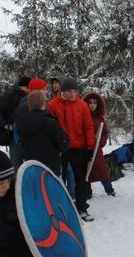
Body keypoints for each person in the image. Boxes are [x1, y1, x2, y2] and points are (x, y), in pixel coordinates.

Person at [46, 77, 96, 222]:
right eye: (70, 91)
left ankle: (82, 208)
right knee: (59, 179)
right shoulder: (52, 105)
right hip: (60, 149)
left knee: (81, 180)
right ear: (63, 91)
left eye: (75, 91)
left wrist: (90, 147)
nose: (73, 94)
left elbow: (88, 127)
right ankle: (59, 209)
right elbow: (50, 128)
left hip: (78, 147)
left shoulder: (82, 105)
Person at [18, 90, 69, 176]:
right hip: (50, 167)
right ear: (44, 104)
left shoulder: (23, 123)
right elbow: (63, 142)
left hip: (32, 165)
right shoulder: (50, 122)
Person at [0, 76, 31, 169]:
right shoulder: (11, 95)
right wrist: (4, 124)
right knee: (16, 163)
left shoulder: (25, 96)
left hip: (24, 134)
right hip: (14, 135)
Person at [83, 92, 115, 197]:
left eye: (95, 103)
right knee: (85, 171)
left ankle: (109, 190)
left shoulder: (100, 118)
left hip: (97, 150)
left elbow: (104, 132)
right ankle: (87, 192)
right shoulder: (83, 116)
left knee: (102, 170)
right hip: (85, 149)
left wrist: (100, 143)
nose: (92, 105)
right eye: (90, 103)